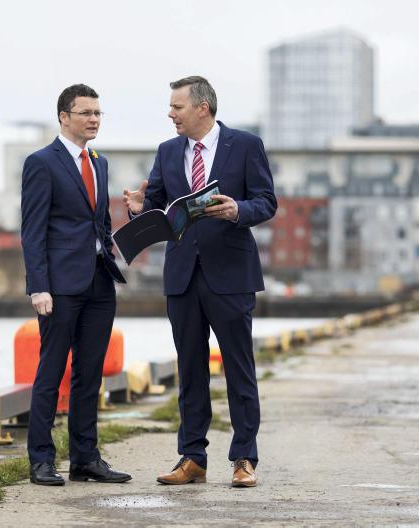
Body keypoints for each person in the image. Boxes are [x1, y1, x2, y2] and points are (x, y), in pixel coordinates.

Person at [123, 76, 276, 488]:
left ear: (202, 108)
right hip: (182, 276)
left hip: (231, 274)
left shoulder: (246, 145)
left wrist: (238, 210)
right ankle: (192, 458)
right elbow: (158, 207)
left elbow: (267, 201)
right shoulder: (168, 151)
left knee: (239, 369)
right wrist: (139, 207)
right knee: (190, 371)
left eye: (177, 107)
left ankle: (244, 458)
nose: (170, 114)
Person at [21, 84, 131, 486]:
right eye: (86, 113)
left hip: (100, 281)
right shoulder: (41, 163)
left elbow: (98, 222)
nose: (94, 119)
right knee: (51, 372)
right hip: (60, 286)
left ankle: (85, 459)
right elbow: (32, 230)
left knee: (90, 374)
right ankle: (41, 460)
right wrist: (38, 287)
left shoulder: (99, 163)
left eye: (98, 113)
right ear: (64, 117)